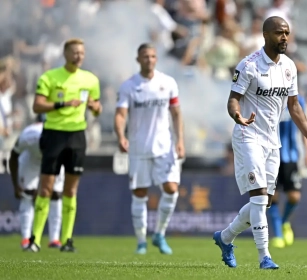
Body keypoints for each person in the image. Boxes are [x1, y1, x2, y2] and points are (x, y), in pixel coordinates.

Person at [212, 16, 307, 269]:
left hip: (272, 142)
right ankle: (265, 256)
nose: (284, 37)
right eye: (279, 33)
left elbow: (294, 106)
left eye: (287, 32)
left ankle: (225, 237)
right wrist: (237, 115)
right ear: (265, 35)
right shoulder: (248, 65)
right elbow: (233, 99)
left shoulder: (289, 66)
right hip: (248, 136)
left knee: (263, 202)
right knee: (259, 197)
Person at [25, 38, 102, 252]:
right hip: (54, 135)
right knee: (47, 187)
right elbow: (37, 106)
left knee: (71, 189)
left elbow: (97, 107)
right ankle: (35, 239)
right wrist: (62, 104)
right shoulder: (50, 77)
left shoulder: (90, 80)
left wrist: (96, 108)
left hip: (77, 136)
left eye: (82, 53)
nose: (79, 56)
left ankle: (67, 240)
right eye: (75, 52)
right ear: (65, 53)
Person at [114, 43, 185, 255]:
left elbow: (176, 113)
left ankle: (160, 234)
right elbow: (120, 114)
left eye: (153, 56)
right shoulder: (129, 86)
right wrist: (120, 136)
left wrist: (180, 140)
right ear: (138, 59)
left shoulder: (168, 83)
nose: (150, 60)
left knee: (171, 189)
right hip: (139, 147)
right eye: (145, 56)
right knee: (140, 193)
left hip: (165, 146)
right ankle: (141, 241)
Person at [9, 114, 64, 249]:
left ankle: (54, 239)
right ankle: (26, 238)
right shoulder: (28, 136)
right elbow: (13, 157)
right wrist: (16, 185)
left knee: (56, 194)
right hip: (32, 158)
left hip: (53, 158)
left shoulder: (60, 136)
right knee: (27, 194)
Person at [268, 94, 307, 249]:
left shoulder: (299, 100)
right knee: (272, 196)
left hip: (291, 156)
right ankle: (278, 235)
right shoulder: (269, 95)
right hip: (271, 155)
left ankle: (284, 221)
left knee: (294, 196)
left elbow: (305, 124)